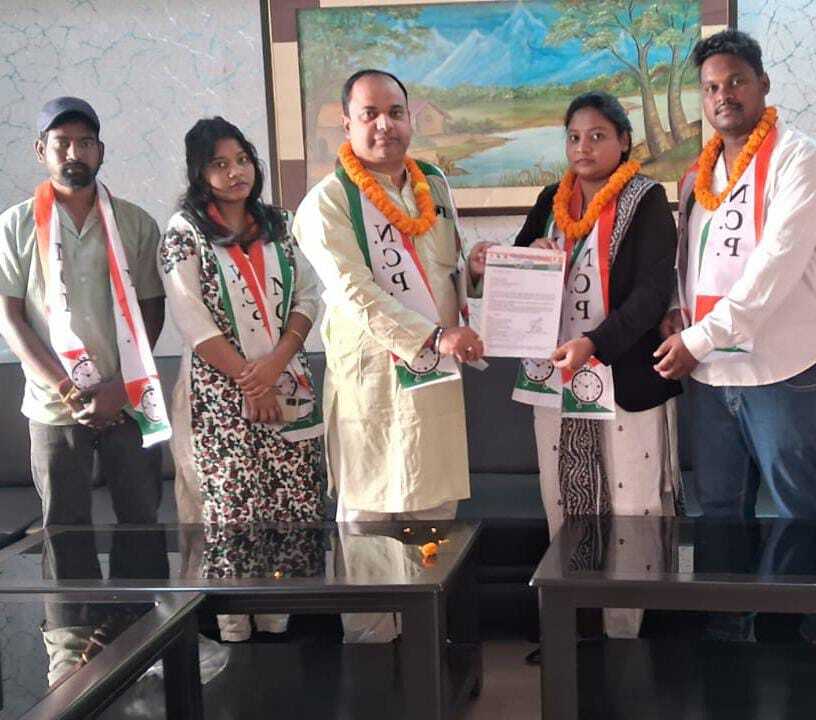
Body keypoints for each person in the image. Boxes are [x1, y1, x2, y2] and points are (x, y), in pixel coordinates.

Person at [468, 91, 682, 640]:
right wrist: (490, 264)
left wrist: (596, 342)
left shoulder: (646, 199)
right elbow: (515, 268)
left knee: (631, 504)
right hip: (557, 379)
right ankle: (573, 635)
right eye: (574, 137)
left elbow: (652, 293)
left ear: (624, 141)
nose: (583, 147)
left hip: (624, 376)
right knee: (563, 503)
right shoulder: (552, 198)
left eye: (597, 136)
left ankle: (624, 637)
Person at [655, 29, 816, 644]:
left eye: (736, 80)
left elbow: (773, 270)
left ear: (762, 82)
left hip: (783, 370)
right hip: (712, 374)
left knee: (797, 504)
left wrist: (698, 339)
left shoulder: (802, 160)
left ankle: (798, 630)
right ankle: (727, 626)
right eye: (711, 87)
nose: (723, 95)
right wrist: (676, 313)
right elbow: (690, 259)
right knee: (719, 508)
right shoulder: (699, 173)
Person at [293, 69, 482, 643]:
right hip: (372, 388)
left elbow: (447, 268)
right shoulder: (325, 204)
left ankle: (430, 653)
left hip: (434, 385)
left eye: (395, 112)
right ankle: (373, 657)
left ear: (410, 118)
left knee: (434, 526)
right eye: (370, 114)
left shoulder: (433, 184)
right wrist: (435, 336)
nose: (385, 125)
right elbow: (356, 292)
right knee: (369, 528)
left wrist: (476, 271)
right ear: (346, 122)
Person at [0, 96, 169, 684]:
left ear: (101, 151)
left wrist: (122, 386)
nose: (75, 152)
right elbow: (10, 316)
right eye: (62, 142)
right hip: (54, 405)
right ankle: (69, 646)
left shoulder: (135, 222)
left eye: (86, 142)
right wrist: (63, 386)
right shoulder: (17, 224)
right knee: (65, 523)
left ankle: (139, 632)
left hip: (128, 399)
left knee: (140, 515)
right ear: (41, 150)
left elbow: (151, 309)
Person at [159, 116, 325, 641]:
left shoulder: (279, 223)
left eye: (243, 160)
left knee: (289, 505)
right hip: (219, 400)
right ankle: (234, 630)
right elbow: (192, 319)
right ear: (199, 173)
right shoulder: (184, 232)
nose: (236, 173)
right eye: (220, 164)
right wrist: (255, 383)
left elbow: (308, 296)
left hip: (288, 384)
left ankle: (278, 620)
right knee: (231, 511)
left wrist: (276, 365)